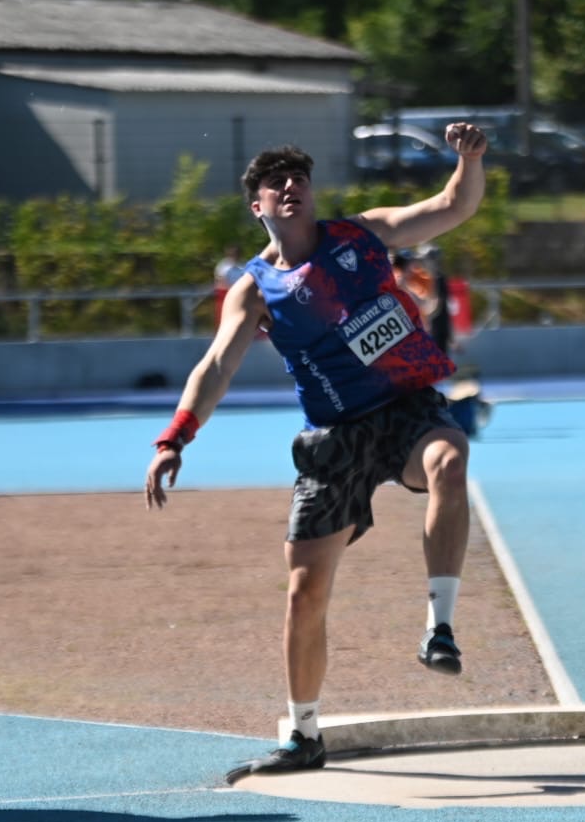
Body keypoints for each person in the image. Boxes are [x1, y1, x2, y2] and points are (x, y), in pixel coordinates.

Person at [145, 123, 490, 782]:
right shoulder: (255, 289)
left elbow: (451, 207)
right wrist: (175, 437)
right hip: (335, 436)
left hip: (406, 408)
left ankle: (439, 628)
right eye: (275, 184)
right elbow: (215, 365)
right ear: (257, 206)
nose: (289, 187)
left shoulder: (360, 235)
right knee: (304, 592)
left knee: (449, 459)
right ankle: (304, 735)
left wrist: (468, 161)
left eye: (298, 179)